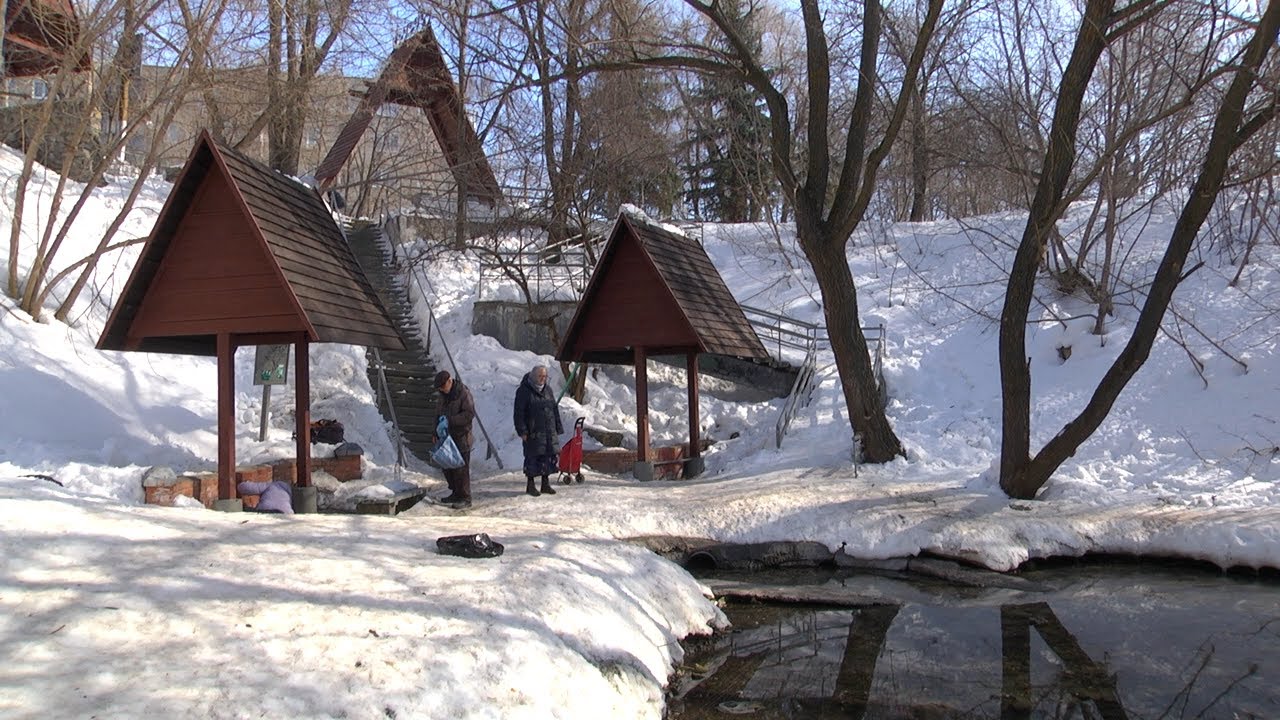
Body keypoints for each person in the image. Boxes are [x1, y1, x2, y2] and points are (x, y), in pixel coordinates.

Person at [514, 364, 563, 497]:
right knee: (532, 458)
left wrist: (558, 427)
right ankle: (530, 485)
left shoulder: (548, 390)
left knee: (547, 457)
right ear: (533, 376)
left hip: (548, 430)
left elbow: (554, 409)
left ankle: (545, 484)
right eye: (540, 376)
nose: (542, 379)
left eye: (544, 376)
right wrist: (522, 431)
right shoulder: (524, 391)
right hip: (533, 432)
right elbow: (519, 413)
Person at [434, 369, 476, 509]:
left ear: (449, 381)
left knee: (461, 468)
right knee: (448, 467)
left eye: (442, 386)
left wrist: (450, 421)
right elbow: (437, 414)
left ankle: (465, 497)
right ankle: (455, 493)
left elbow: (469, 414)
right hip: (446, 437)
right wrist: (434, 431)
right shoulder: (442, 396)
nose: (441, 390)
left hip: (462, 436)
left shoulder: (463, 393)